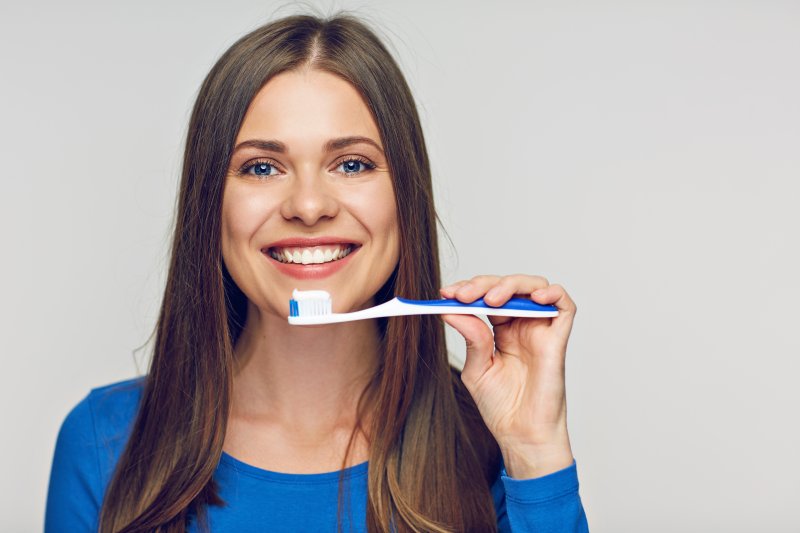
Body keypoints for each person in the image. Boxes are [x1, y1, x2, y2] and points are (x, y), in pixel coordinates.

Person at [45, 13, 589, 533]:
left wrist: (533, 451)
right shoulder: (103, 442)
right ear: (209, 204)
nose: (308, 206)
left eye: (352, 164)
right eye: (262, 167)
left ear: (405, 197)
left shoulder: (484, 442)